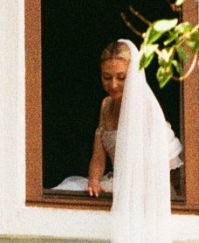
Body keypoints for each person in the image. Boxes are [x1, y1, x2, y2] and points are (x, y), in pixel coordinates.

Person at [52, 39, 181, 197]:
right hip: (117, 183)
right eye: (107, 77)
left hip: (143, 189)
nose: (113, 85)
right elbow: (98, 156)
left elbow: (166, 162)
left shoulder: (146, 107)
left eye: (121, 77)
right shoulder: (106, 105)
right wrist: (94, 182)